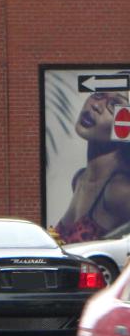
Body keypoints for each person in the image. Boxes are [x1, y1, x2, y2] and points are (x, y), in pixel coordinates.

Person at [55, 91, 130, 243]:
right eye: (98, 95)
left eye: (114, 105)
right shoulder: (79, 179)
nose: (95, 105)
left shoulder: (120, 190)